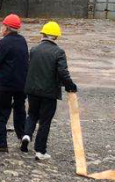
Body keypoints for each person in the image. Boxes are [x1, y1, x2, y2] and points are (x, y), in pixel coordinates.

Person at [23, 20, 77, 161]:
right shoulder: (59, 52)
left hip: (32, 90)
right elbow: (62, 72)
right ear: (56, 37)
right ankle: (40, 151)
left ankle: (26, 136)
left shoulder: (34, 50)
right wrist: (70, 85)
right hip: (49, 93)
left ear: (43, 34)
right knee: (45, 121)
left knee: (32, 114)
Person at [0, 14, 29, 152]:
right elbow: (11, 52)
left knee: (0, 113)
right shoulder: (22, 41)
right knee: (19, 111)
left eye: (3, 25)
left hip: (5, 85)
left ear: (7, 27)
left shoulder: (4, 42)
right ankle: (23, 136)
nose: (1, 28)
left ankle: (1, 144)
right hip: (22, 85)